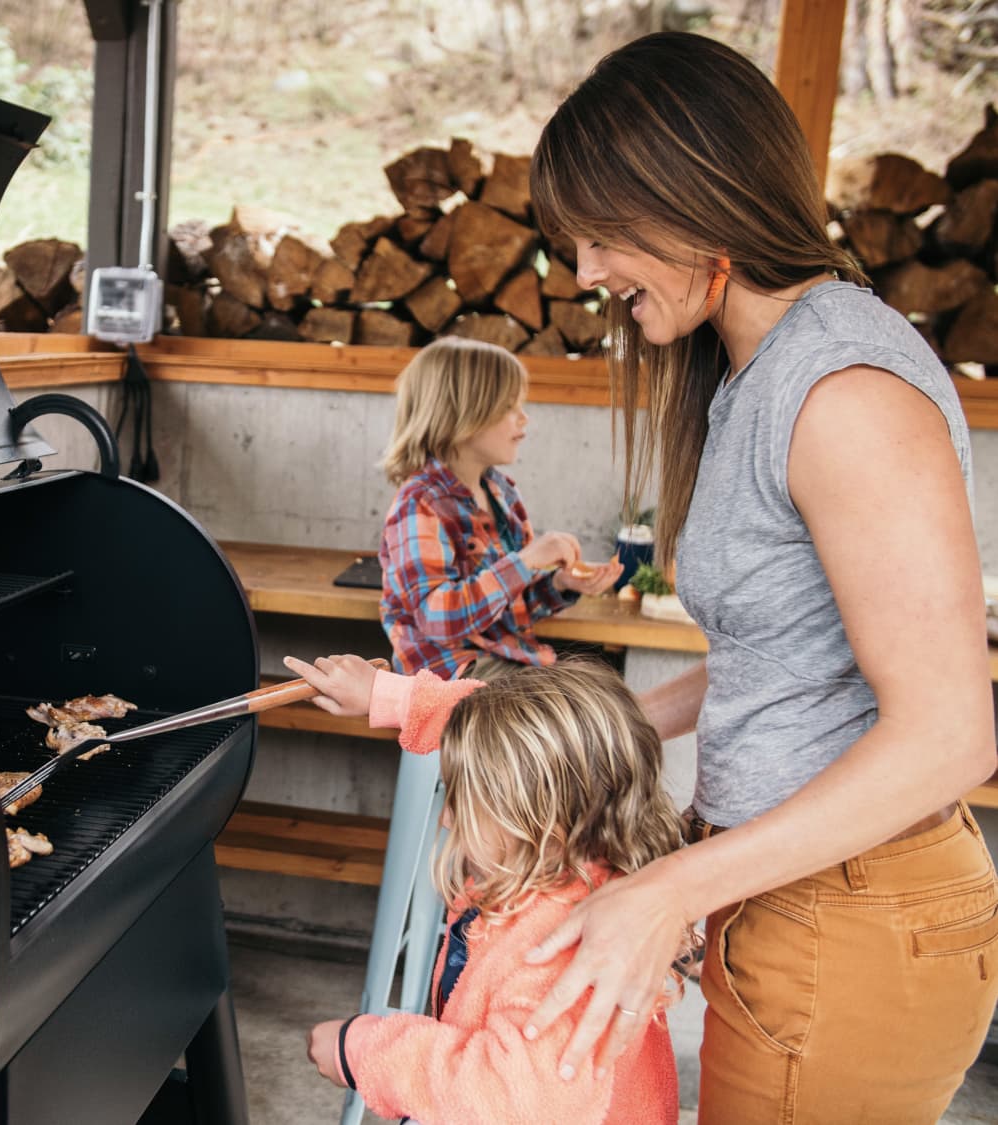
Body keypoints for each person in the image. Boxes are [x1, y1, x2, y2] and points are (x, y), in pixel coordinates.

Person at [521, 30, 998, 1123]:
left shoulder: (843, 393)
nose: (586, 273)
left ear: (689, 194)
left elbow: (949, 734)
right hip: (796, 902)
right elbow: (785, 656)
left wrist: (667, 891)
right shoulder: (757, 372)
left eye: (598, 236)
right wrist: (624, 731)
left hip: (859, 922)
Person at [290, 653, 683, 1124]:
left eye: (463, 799)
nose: (447, 818)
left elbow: (514, 1098)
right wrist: (387, 694)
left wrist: (366, 1050)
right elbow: (506, 721)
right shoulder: (561, 875)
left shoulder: (558, 942)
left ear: (537, 817)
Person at [378, 336, 621, 680]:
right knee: (575, 706)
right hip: (450, 677)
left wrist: (563, 584)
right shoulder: (420, 504)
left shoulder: (502, 494)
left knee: (598, 693)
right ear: (463, 415)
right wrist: (525, 561)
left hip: (504, 663)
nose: (524, 419)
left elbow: (511, 610)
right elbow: (437, 620)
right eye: (510, 406)